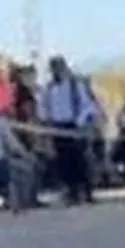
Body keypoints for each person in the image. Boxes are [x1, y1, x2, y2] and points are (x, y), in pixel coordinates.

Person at [39, 55, 95, 205]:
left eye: (58, 68)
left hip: (74, 126)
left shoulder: (75, 85)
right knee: (63, 162)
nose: (56, 71)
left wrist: (80, 123)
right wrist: (47, 123)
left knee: (80, 160)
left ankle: (87, 191)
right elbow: (43, 108)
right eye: (53, 69)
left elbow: (87, 106)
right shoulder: (48, 88)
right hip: (57, 128)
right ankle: (71, 191)